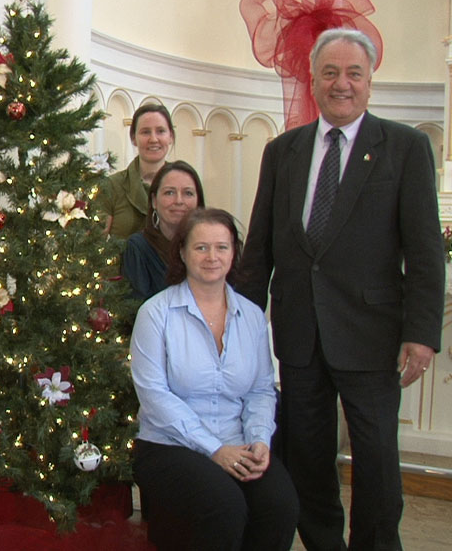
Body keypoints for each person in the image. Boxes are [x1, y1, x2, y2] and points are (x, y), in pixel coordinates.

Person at [237, 28, 445, 550]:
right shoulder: (282, 151)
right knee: (306, 457)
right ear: (313, 80)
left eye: (354, 73)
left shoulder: (405, 147)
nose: (342, 83)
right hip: (300, 335)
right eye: (330, 72)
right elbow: (260, 246)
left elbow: (424, 252)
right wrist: (236, 325)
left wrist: (421, 335)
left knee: (376, 461)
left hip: (372, 336)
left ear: (371, 82)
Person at [131, 208, 297, 550]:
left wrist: (260, 440)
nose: (212, 257)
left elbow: (261, 390)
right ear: (182, 252)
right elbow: (154, 396)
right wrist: (215, 449)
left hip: (238, 441)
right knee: (225, 506)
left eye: (221, 247)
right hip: (168, 445)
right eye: (201, 247)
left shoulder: (251, 316)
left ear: (234, 252)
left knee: (281, 505)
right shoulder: (155, 313)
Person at [122, 160, 205, 300]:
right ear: (154, 200)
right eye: (169, 192)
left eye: (188, 193)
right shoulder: (137, 248)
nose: (179, 201)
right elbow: (135, 313)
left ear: (198, 201)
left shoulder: (211, 248)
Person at [100, 104, 175, 238]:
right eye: (145, 132)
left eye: (160, 131)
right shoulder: (111, 186)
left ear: (171, 137)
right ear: (134, 138)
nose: (153, 139)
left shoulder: (184, 184)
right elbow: (95, 243)